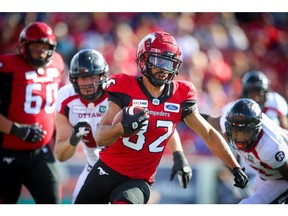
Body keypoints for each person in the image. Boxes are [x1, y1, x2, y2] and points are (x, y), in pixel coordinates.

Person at [74, 31, 248, 204]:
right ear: (143, 59)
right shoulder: (125, 86)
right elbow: (101, 137)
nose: (164, 69)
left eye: (169, 63)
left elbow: (208, 133)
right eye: (158, 61)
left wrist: (234, 167)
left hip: (138, 180)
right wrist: (121, 128)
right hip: (107, 169)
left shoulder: (181, 94)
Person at [55, 48, 192, 204]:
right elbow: (60, 155)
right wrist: (74, 139)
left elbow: (161, 120)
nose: (89, 84)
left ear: (102, 76)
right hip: (95, 167)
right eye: (82, 78)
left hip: (126, 168)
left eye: (93, 77)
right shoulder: (67, 97)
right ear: (73, 80)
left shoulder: (117, 93)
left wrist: (178, 154)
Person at [0, 21, 65, 204]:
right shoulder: (7, 66)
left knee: (52, 203)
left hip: (41, 151)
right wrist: (16, 129)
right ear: (23, 46)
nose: (41, 52)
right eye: (35, 46)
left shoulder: (57, 63)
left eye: (45, 47)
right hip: (7, 152)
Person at [221, 98, 288, 203]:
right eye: (236, 132)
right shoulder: (225, 121)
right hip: (266, 175)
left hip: (281, 177)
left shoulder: (270, 147)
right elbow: (209, 123)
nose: (240, 138)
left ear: (256, 130)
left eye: (244, 133)